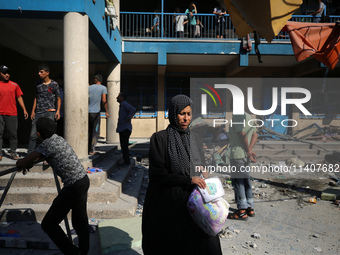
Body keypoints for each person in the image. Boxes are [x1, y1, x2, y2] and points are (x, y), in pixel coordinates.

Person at [142, 94, 222, 255]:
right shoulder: (160, 139)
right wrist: (188, 179)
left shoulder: (195, 138)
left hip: (193, 202)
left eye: (189, 114)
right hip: (168, 203)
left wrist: (203, 170)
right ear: (173, 113)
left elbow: (200, 162)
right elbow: (157, 173)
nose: (186, 118)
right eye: (182, 113)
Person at [16, 117, 90, 255]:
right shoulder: (58, 138)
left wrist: (23, 162)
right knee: (80, 222)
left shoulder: (46, 144)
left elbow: (21, 162)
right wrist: (33, 161)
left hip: (73, 185)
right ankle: (84, 251)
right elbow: (43, 156)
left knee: (48, 224)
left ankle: (73, 253)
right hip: (83, 180)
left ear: (38, 134)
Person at [227, 100, 258, 220]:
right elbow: (255, 134)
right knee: (246, 180)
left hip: (238, 154)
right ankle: (250, 208)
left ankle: (241, 211)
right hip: (245, 155)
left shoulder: (237, 115)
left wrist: (248, 150)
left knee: (238, 182)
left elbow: (241, 133)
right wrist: (249, 150)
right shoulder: (248, 116)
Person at [27, 64, 61, 154]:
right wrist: (33, 111)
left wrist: (58, 111)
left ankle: (48, 154)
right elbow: (36, 97)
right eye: (39, 72)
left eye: (41, 72)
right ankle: (29, 154)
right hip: (38, 112)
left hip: (50, 112)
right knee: (33, 134)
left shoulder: (54, 84)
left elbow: (58, 98)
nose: (39, 73)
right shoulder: (38, 83)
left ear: (47, 73)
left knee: (49, 135)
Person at [0, 65, 28, 160]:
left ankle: (13, 153)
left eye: (8, 73)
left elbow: (19, 97)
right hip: (0, 113)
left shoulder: (14, 85)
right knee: (0, 133)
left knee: (13, 134)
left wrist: (24, 110)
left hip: (12, 113)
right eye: (4, 73)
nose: (7, 75)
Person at [88, 74, 109, 155]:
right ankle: (91, 149)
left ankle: (86, 148)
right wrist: (106, 111)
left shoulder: (88, 88)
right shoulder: (103, 88)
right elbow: (104, 100)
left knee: (89, 131)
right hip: (96, 112)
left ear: (96, 79)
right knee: (95, 131)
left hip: (87, 112)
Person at [116, 92, 136, 165]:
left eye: (118, 96)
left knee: (124, 146)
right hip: (123, 128)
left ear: (122, 98)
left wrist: (128, 117)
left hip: (125, 128)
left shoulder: (124, 104)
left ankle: (127, 161)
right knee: (123, 146)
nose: (116, 98)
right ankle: (126, 160)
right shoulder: (122, 105)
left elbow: (133, 109)